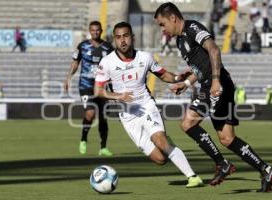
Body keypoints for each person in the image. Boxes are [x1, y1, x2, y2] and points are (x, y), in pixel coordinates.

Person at [154, 2, 272, 192]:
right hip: (219, 84)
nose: (162, 29)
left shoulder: (193, 28)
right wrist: (186, 83)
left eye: (162, 24)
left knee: (188, 123)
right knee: (227, 139)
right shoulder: (180, 41)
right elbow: (200, 67)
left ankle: (222, 164)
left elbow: (214, 50)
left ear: (173, 18)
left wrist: (214, 81)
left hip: (217, 85)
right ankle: (266, 170)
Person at [94, 22, 204, 188]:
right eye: (118, 37)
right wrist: (117, 96)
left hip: (146, 106)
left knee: (160, 141)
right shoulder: (107, 62)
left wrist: (177, 78)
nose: (122, 41)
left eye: (125, 36)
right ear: (114, 40)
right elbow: (98, 91)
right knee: (160, 159)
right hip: (128, 118)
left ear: (132, 37)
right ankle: (168, 145)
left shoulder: (145, 58)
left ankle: (193, 177)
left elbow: (163, 75)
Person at [64, 21, 114, 156]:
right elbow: (75, 63)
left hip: (102, 86)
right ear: (89, 31)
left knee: (103, 117)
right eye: (93, 30)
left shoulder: (108, 48)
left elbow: (114, 67)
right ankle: (83, 139)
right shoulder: (82, 46)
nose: (95, 32)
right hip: (85, 85)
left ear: (101, 31)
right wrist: (68, 78)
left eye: (98, 30)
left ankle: (103, 147)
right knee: (90, 113)